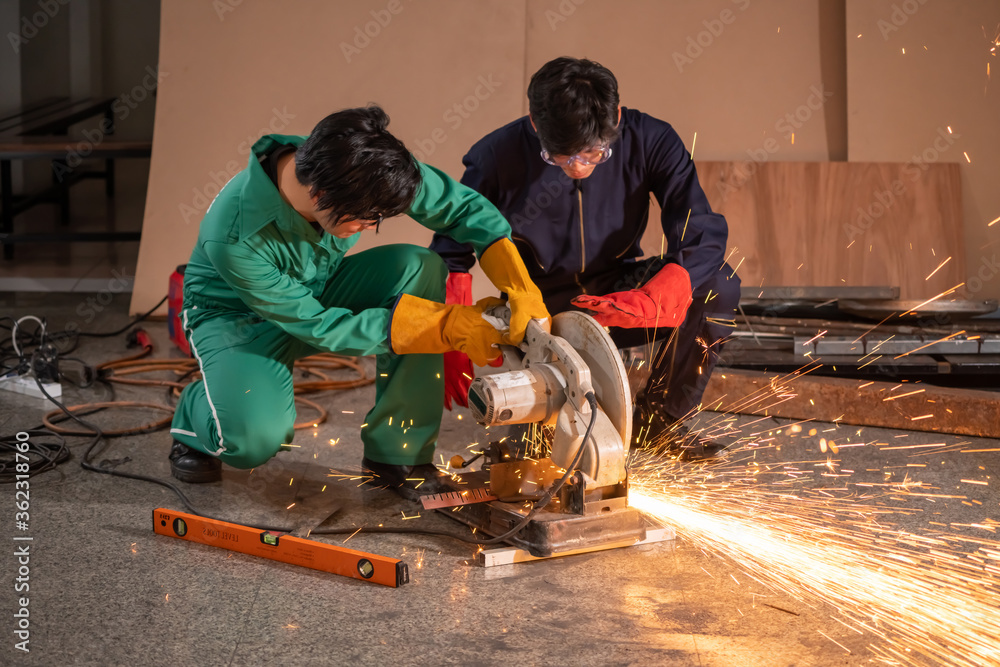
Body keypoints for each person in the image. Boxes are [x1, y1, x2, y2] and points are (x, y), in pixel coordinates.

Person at [169, 105, 549, 498]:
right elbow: (317, 325)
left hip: (318, 290)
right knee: (252, 441)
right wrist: (444, 326)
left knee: (418, 267)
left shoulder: (358, 162)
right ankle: (198, 409)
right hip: (237, 321)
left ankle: (397, 453)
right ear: (319, 196)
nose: (372, 228)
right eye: (368, 220)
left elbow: (461, 209)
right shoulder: (235, 236)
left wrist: (518, 284)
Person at [430, 57, 740, 459]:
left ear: (617, 114)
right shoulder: (495, 156)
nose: (578, 167)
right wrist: (449, 332)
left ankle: (659, 422)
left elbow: (702, 228)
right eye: (560, 157)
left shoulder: (653, 139)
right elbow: (450, 251)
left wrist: (664, 289)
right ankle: (539, 425)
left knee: (719, 284)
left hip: (619, 296)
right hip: (540, 307)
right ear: (535, 124)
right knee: (543, 454)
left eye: (595, 154)